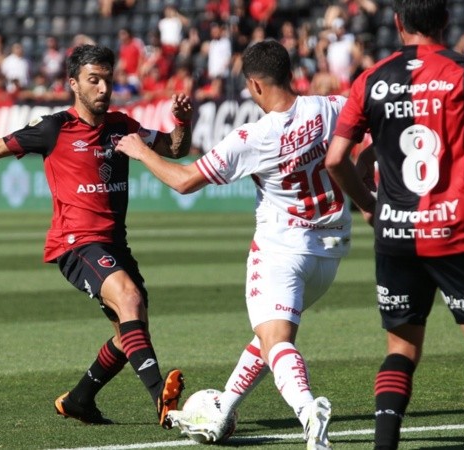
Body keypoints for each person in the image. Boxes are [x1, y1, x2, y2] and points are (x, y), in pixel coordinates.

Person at [0, 44, 190, 429]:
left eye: (108, 80)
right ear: (74, 84)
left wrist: (182, 123)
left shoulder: (123, 126)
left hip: (114, 245)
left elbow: (176, 148)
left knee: (129, 330)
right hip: (76, 244)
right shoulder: (54, 128)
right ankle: (164, 402)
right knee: (129, 298)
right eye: (93, 80)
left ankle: (79, 400)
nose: (102, 88)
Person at [324, 1, 464, 449]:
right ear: (446, 22)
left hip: (396, 233)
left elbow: (335, 159)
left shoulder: (370, 79)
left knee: (401, 348)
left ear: (397, 23)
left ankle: (384, 445)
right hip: (457, 231)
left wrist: (370, 205)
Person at [116, 40, 346, 450]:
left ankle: (309, 411)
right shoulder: (329, 107)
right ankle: (224, 407)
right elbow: (365, 135)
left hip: (281, 252)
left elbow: (184, 181)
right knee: (265, 338)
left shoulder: (254, 136)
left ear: (255, 85)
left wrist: (140, 152)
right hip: (328, 255)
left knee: (276, 341)